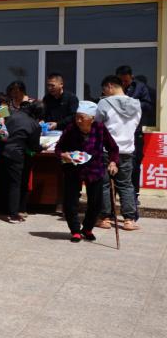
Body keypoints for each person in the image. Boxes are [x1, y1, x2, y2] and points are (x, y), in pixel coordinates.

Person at [56, 101, 118, 242]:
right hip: (73, 168)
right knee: (70, 202)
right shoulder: (71, 128)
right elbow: (59, 148)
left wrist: (113, 162)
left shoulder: (100, 128)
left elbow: (113, 148)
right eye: (76, 117)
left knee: (96, 203)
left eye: (81, 117)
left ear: (92, 118)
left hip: (94, 169)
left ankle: (87, 228)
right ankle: (75, 231)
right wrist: (63, 155)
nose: (78, 120)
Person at [96, 76, 141, 231]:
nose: (103, 93)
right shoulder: (136, 104)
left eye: (104, 90)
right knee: (126, 184)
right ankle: (129, 220)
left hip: (106, 150)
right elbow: (135, 125)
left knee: (105, 184)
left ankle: (105, 218)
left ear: (110, 86)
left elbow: (97, 124)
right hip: (127, 150)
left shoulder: (104, 103)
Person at [117, 65, 154, 212]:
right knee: (115, 162)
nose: (123, 84)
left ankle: (134, 194)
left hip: (134, 131)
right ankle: (116, 194)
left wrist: (131, 103)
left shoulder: (140, 87)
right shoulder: (114, 86)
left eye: (125, 81)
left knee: (134, 163)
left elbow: (148, 106)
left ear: (131, 77)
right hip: (117, 132)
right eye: (121, 81)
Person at [0, 101, 42, 224]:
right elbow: (34, 147)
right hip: (16, 154)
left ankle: (1, 209)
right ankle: (13, 214)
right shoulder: (34, 124)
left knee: (2, 180)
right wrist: (42, 147)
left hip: (1, 150)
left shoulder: (11, 114)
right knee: (15, 184)